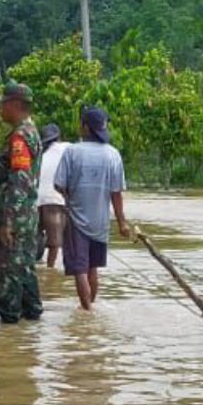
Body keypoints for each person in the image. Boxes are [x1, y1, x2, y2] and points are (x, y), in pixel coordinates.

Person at [55, 106, 128, 311]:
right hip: (101, 223)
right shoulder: (113, 155)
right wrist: (122, 223)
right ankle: (90, 310)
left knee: (80, 270)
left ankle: (87, 311)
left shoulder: (72, 151)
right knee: (93, 268)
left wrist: (70, 197)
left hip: (77, 220)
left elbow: (59, 185)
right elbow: (116, 193)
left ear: (85, 127)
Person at [0, 82, 42, 325]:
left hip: (14, 216)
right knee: (25, 268)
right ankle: (29, 334)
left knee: (7, 271)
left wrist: (8, 221)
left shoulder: (20, 137)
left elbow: (20, 180)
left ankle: (9, 332)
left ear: (15, 104)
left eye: (3, 103)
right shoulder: (31, 132)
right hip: (26, 215)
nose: (0, 108)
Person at [35, 123, 70, 269]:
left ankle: (35, 266)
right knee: (55, 243)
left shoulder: (41, 155)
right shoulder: (68, 148)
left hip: (37, 200)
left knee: (35, 236)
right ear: (59, 137)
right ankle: (50, 270)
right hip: (55, 199)